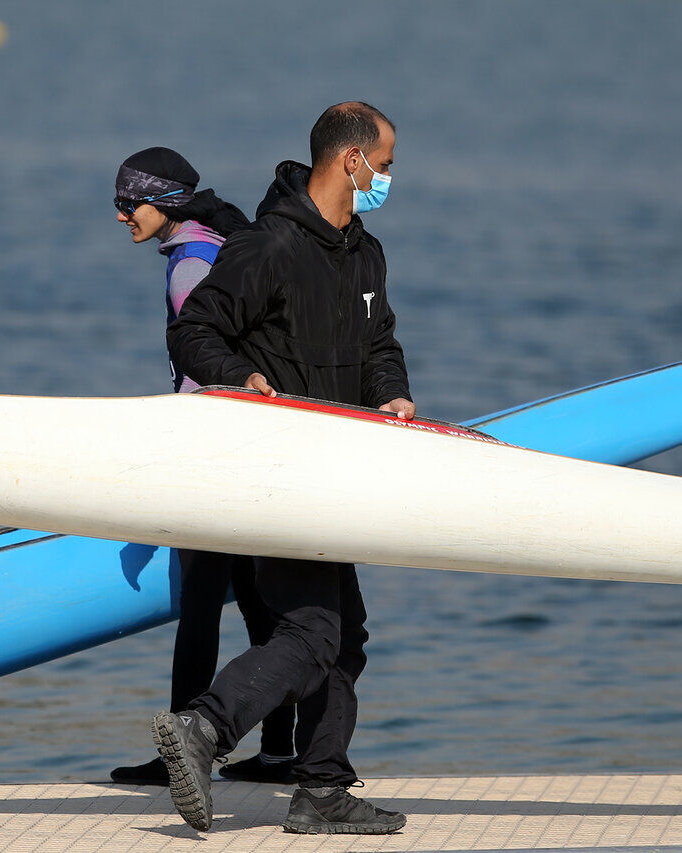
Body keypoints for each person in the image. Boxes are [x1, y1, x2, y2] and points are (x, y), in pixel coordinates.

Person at [154, 102, 414, 835]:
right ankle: (204, 725)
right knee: (312, 631)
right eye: (386, 163)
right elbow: (195, 331)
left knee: (343, 632)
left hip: (338, 473)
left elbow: (381, 341)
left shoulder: (365, 255)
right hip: (275, 469)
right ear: (350, 161)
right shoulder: (268, 246)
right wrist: (238, 375)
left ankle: (322, 787)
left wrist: (392, 392)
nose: (391, 176)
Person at [107, 147, 299, 786]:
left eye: (127, 203)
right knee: (257, 605)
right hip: (253, 451)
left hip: (216, 457)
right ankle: (276, 753)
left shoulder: (190, 267)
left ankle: (179, 758)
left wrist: (172, 458)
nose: (119, 216)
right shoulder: (220, 244)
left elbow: (205, 369)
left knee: (200, 611)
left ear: (161, 203)